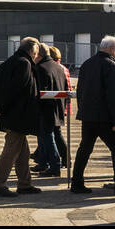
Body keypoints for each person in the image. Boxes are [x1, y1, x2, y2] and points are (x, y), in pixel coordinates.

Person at [71, 36, 115, 195]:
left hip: (88, 116)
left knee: (84, 149)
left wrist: (83, 110)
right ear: (112, 49)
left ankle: (76, 183)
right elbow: (114, 95)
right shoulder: (111, 66)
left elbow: (80, 91)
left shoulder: (86, 64)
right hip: (106, 118)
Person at [0, 38, 42, 197]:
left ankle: (24, 184)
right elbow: (17, 89)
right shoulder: (24, 64)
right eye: (36, 53)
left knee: (22, 150)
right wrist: (1, 108)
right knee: (11, 150)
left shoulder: (6, 64)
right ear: (32, 51)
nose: (36, 56)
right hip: (18, 114)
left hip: (8, 113)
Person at [34, 44, 68, 177]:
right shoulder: (59, 67)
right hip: (58, 106)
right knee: (52, 136)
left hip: (45, 109)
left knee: (47, 137)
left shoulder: (40, 68)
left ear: (38, 55)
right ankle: (44, 163)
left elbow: (39, 90)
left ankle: (54, 165)